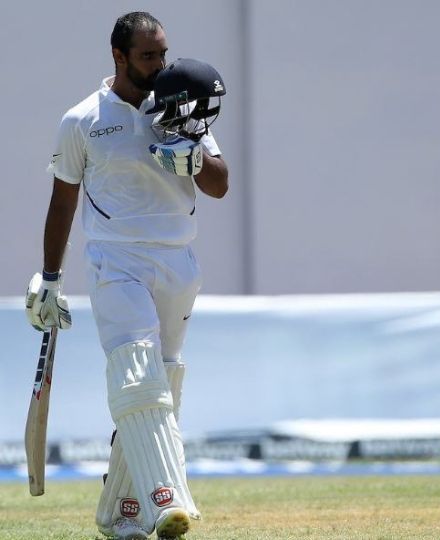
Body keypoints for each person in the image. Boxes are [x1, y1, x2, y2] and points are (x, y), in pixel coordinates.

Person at [24, 11, 228, 540]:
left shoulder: (182, 105)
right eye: (147, 56)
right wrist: (49, 278)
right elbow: (62, 202)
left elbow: (221, 184)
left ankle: (122, 515)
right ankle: (168, 500)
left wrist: (193, 160)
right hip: (115, 262)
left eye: (162, 53)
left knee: (163, 381)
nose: (160, 64)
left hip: (178, 262)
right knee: (137, 371)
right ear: (118, 56)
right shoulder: (82, 120)